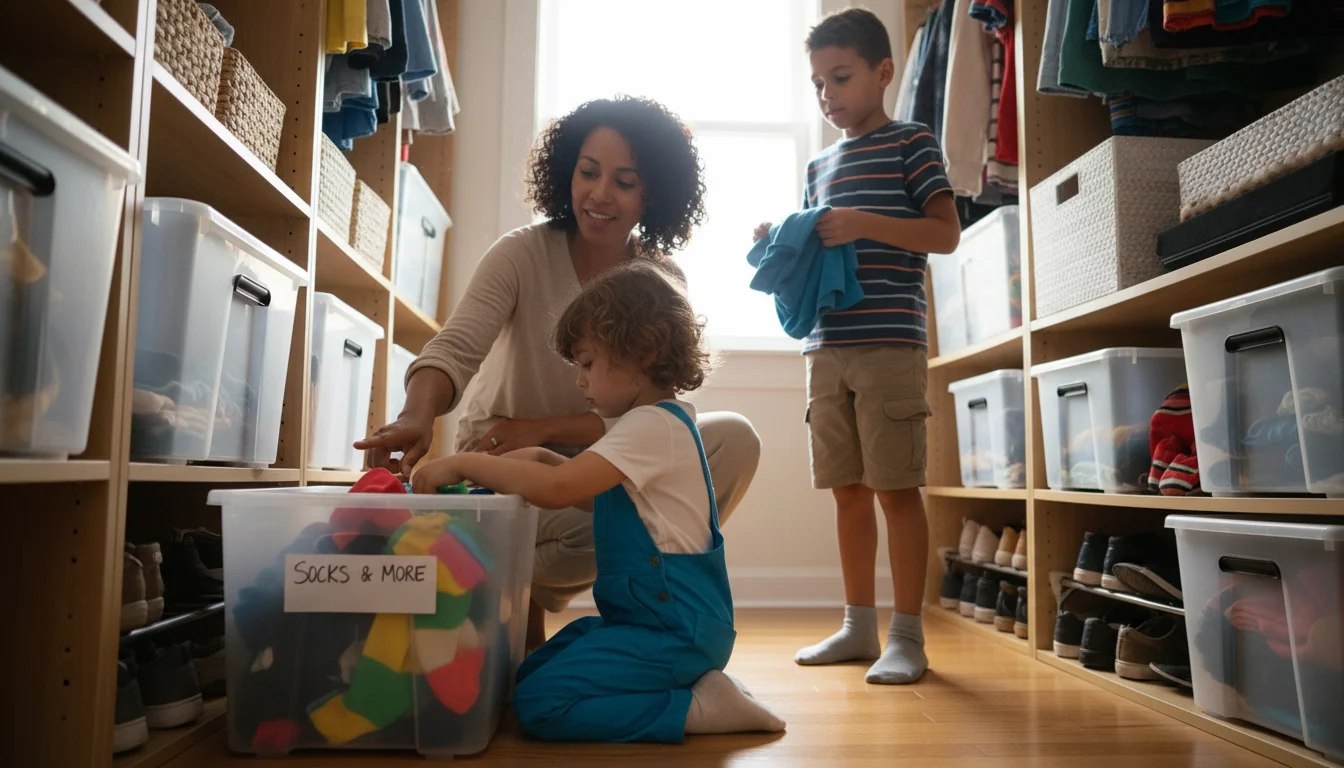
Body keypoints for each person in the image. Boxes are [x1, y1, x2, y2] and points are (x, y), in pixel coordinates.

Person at [355, 97, 762, 651]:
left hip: (596, 474)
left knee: (733, 438)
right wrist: (415, 416)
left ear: (653, 191)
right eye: (588, 172)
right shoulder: (521, 254)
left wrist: (544, 429)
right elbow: (457, 345)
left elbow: (653, 416)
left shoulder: (661, 278)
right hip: (504, 474)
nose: (599, 194)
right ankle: (516, 585)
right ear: (566, 171)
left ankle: (587, 599)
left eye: (624, 181)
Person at [411, 262, 786, 742]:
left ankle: (695, 708)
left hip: (675, 631)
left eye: (587, 363)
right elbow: (600, 499)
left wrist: (463, 464)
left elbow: (560, 490)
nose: (579, 381)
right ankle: (686, 687)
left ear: (643, 351)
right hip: (648, 623)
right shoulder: (646, 426)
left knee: (539, 704)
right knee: (529, 671)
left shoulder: (652, 427)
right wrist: (544, 457)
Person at [753, 9, 960, 685]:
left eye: (840, 78)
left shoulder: (913, 143)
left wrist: (862, 223)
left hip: (889, 343)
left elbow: (944, 234)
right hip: (826, 344)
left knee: (897, 490)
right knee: (847, 491)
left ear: (883, 72)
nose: (827, 95)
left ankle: (908, 636)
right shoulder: (819, 164)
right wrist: (783, 231)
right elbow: (818, 242)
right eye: (817, 84)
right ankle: (858, 625)